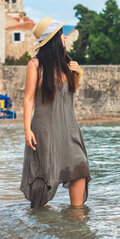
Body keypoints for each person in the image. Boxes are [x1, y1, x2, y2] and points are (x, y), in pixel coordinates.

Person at [20, 16, 91, 209]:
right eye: (61, 35)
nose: (65, 39)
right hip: (44, 129)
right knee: (43, 177)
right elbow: (28, 98)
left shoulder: (68, 65)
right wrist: (27, 130)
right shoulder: (35, 65)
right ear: (53, 40)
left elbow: (69, 94)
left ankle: (76, 222)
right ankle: (38, 229)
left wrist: (78, 74)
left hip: (69, 128)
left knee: (80, 167)